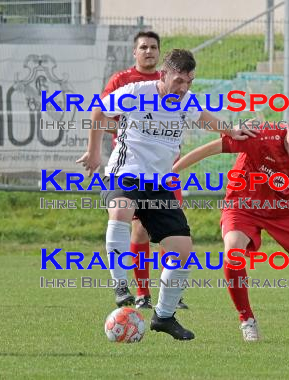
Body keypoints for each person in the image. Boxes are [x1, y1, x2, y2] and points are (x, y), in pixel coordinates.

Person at [77, 49, 257, 340]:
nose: (183, 88)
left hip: (159, 184)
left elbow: (206, 119)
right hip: (125, 172)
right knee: (121, 211)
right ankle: (120, 285)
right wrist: (94, 152)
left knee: (183, 250)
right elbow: (98, 109)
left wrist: (231, 130)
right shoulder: (136, 91)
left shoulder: (186, 101)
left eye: (189, 82)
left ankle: (163, 316)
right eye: (178, 81)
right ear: (163, 75)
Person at [172, 111, 289, 342]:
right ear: (287, 128)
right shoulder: (259, 137)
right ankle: (247, 320)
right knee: (233, 251)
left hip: (285, 210)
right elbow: (211, 148)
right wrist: (171, 172)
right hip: (243, 204)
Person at [99, 30, 187, 310]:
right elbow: (102, 115)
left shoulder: (179, 88)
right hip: (129, 167)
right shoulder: (125, 83)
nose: (149, 51)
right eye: (143, 47)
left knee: (172, 237)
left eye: (153, 47)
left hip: (162, 171)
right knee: (131, 224)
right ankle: (137, 290)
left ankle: (167, 299)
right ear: (134, 52)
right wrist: (136, 132)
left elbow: (198, 117)